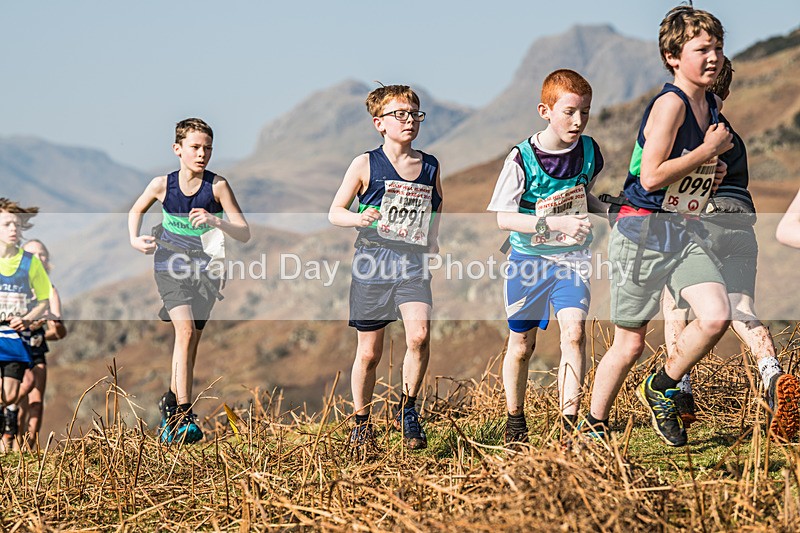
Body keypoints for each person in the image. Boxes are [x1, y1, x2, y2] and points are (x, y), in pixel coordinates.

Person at [587, 6, 733, 447]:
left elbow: (683, 173)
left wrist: (712, 173)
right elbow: (650, 177)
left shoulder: (711, 103)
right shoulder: (670, 105)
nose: (714, 58)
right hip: (641, 234)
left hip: (683, 232)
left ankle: (662, 384)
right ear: (673, 56)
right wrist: (706, 154)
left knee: (716, 316)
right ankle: (591, 426)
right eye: (702, 49)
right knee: (629, 345)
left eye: (719, 48)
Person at [662, 57, 800, 441]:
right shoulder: (731, 134)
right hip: (740, 227)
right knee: (743, 309)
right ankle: (772, 374)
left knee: (675, 303)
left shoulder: (696, 129)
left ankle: (679, 389)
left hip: (698, 225)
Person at [487, 69, 607, 446]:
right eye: (570, 111)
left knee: (574, 333)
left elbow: (582, 195)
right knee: (521, 347)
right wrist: (558, 224)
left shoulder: (589, 151)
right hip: (528, 261)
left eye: (585, 112)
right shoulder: (521, 158)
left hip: (571, 259)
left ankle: (568, 426)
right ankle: (515, 420)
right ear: (545, 110)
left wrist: (613, 212)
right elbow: (504, 218)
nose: (578, 121)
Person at [329, 84, 443, 451]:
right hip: (372, 263)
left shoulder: (429, 165)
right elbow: (335, 212)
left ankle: (408, 409)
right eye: (400, 114)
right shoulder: (364, 164)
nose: (409, 121)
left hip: (412, 263)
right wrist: (360, 220)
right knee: (369, 354)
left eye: (414, 114)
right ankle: (362, 423)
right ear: (380, 123)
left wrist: (433, 240)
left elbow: (436, 206)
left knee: (419, 336)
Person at [128, 118, 250, 444]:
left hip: (207, 271)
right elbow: (135, 210)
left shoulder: (218, 187)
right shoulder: (161, 185)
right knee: (183, 331)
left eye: (207, 148)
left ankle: (170, 404)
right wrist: (134, 238)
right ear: (177, 149)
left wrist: (215, 221)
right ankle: (183, 414)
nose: (202, 154)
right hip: (169, 264)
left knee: (191, 342)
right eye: (195, 147)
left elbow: (244, 232)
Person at [0, 199, 51, 452]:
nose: (13, 229)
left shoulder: (30, 262)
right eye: (7, 224)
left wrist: (29, 318)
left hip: (15, 339)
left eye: (17, 225)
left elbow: (44, 300)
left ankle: (7, 423)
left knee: (10, 395)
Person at [13, 239, 67, 449]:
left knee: (35, 405)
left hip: (36, 348)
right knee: (18, 403)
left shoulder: (50, 291)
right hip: (13, 349)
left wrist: (54, 324)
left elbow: (58, 332)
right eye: (32, 254)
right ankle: (9, 445)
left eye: (42, 254)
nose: (38, 258)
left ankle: (26, 452)